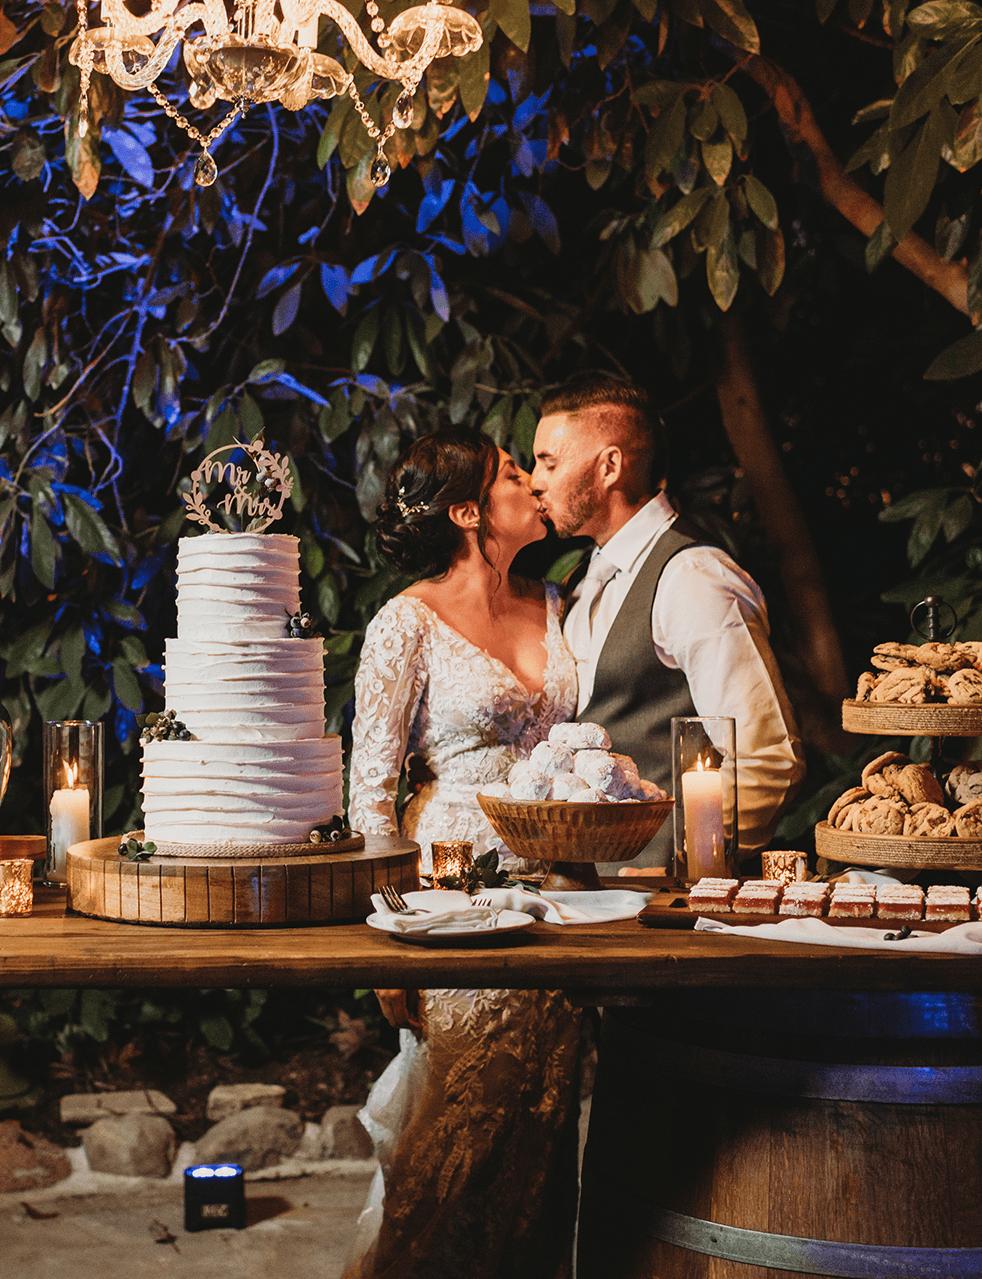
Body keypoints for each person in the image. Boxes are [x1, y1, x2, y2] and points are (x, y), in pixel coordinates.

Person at [343, 424, 582, 1279]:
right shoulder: (405, 622)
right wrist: (389, 937)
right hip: (452, 895)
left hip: (560, 891)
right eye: (515, 473)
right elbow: (370, 789)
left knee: (541, 1127)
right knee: (463, 1121)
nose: (533, 483)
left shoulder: (557, 603)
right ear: (468, 510)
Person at [530, 373, 804, 869]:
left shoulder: (692, 578)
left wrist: (680, 864)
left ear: (610, 466)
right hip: (582, 895)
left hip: (660, 901)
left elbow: (768, 759)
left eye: (548, 461)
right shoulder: (583, 575)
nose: (535, 480)